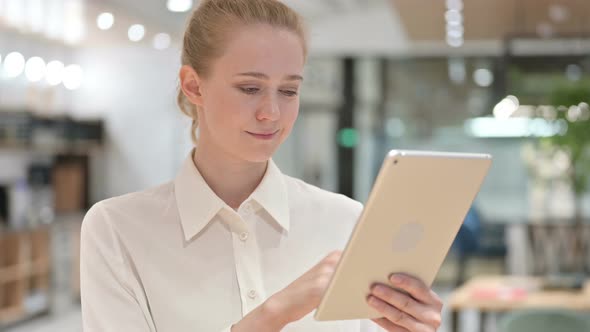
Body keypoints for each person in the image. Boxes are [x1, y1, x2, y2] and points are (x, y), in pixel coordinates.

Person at [79, 0, 443, 331]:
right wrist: (276, 312)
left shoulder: (346, 220)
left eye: (289, 91)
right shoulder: (117, 230)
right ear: (193, 86)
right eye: (250, 88)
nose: (271, 113)